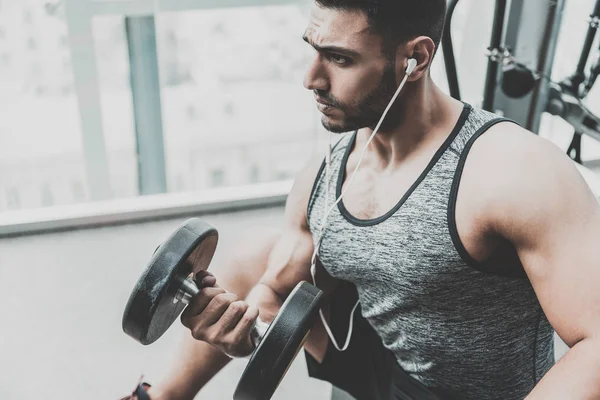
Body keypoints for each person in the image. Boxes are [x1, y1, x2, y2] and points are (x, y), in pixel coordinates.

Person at [122, 0, 600, 399]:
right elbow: (274, 294)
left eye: (340, 59)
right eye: (312, 50)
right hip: (380, 368)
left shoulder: (513, 170)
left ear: (416, 58)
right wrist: (238, 333)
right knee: (256, 252)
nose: (311, 79)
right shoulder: (326, 173)